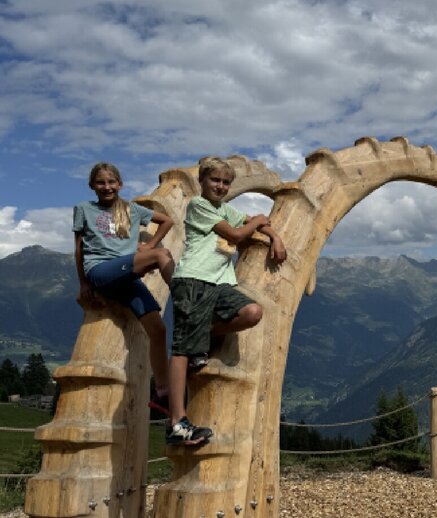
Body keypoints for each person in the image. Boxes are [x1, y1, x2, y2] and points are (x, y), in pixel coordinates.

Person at [167, 156, 286, 446]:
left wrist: (274, 236)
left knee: (252, 312)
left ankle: (202, 333)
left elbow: (252, 221)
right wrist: (257, 222)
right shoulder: (199, 205)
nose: (220, 186)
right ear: (202, 181)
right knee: (182, 350)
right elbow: (237, 233)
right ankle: (177, 423)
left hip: (220, 283)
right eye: (215, 180)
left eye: (225, 182)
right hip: (193, 280)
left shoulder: (224, 209)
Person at [73, 162, 175, 418]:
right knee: (160, 254)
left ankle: (162, 393)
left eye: (111, 182)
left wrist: (148, 244)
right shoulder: (84, 209)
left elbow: (167, 221)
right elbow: (79, 248)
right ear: (92, 186)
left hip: (126, 277)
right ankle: (188, 301)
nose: (106, 187)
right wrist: (83, 283)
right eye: (100, 182)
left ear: (120, 184)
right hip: (101, 270)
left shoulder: (132, 209)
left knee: (159, 329)